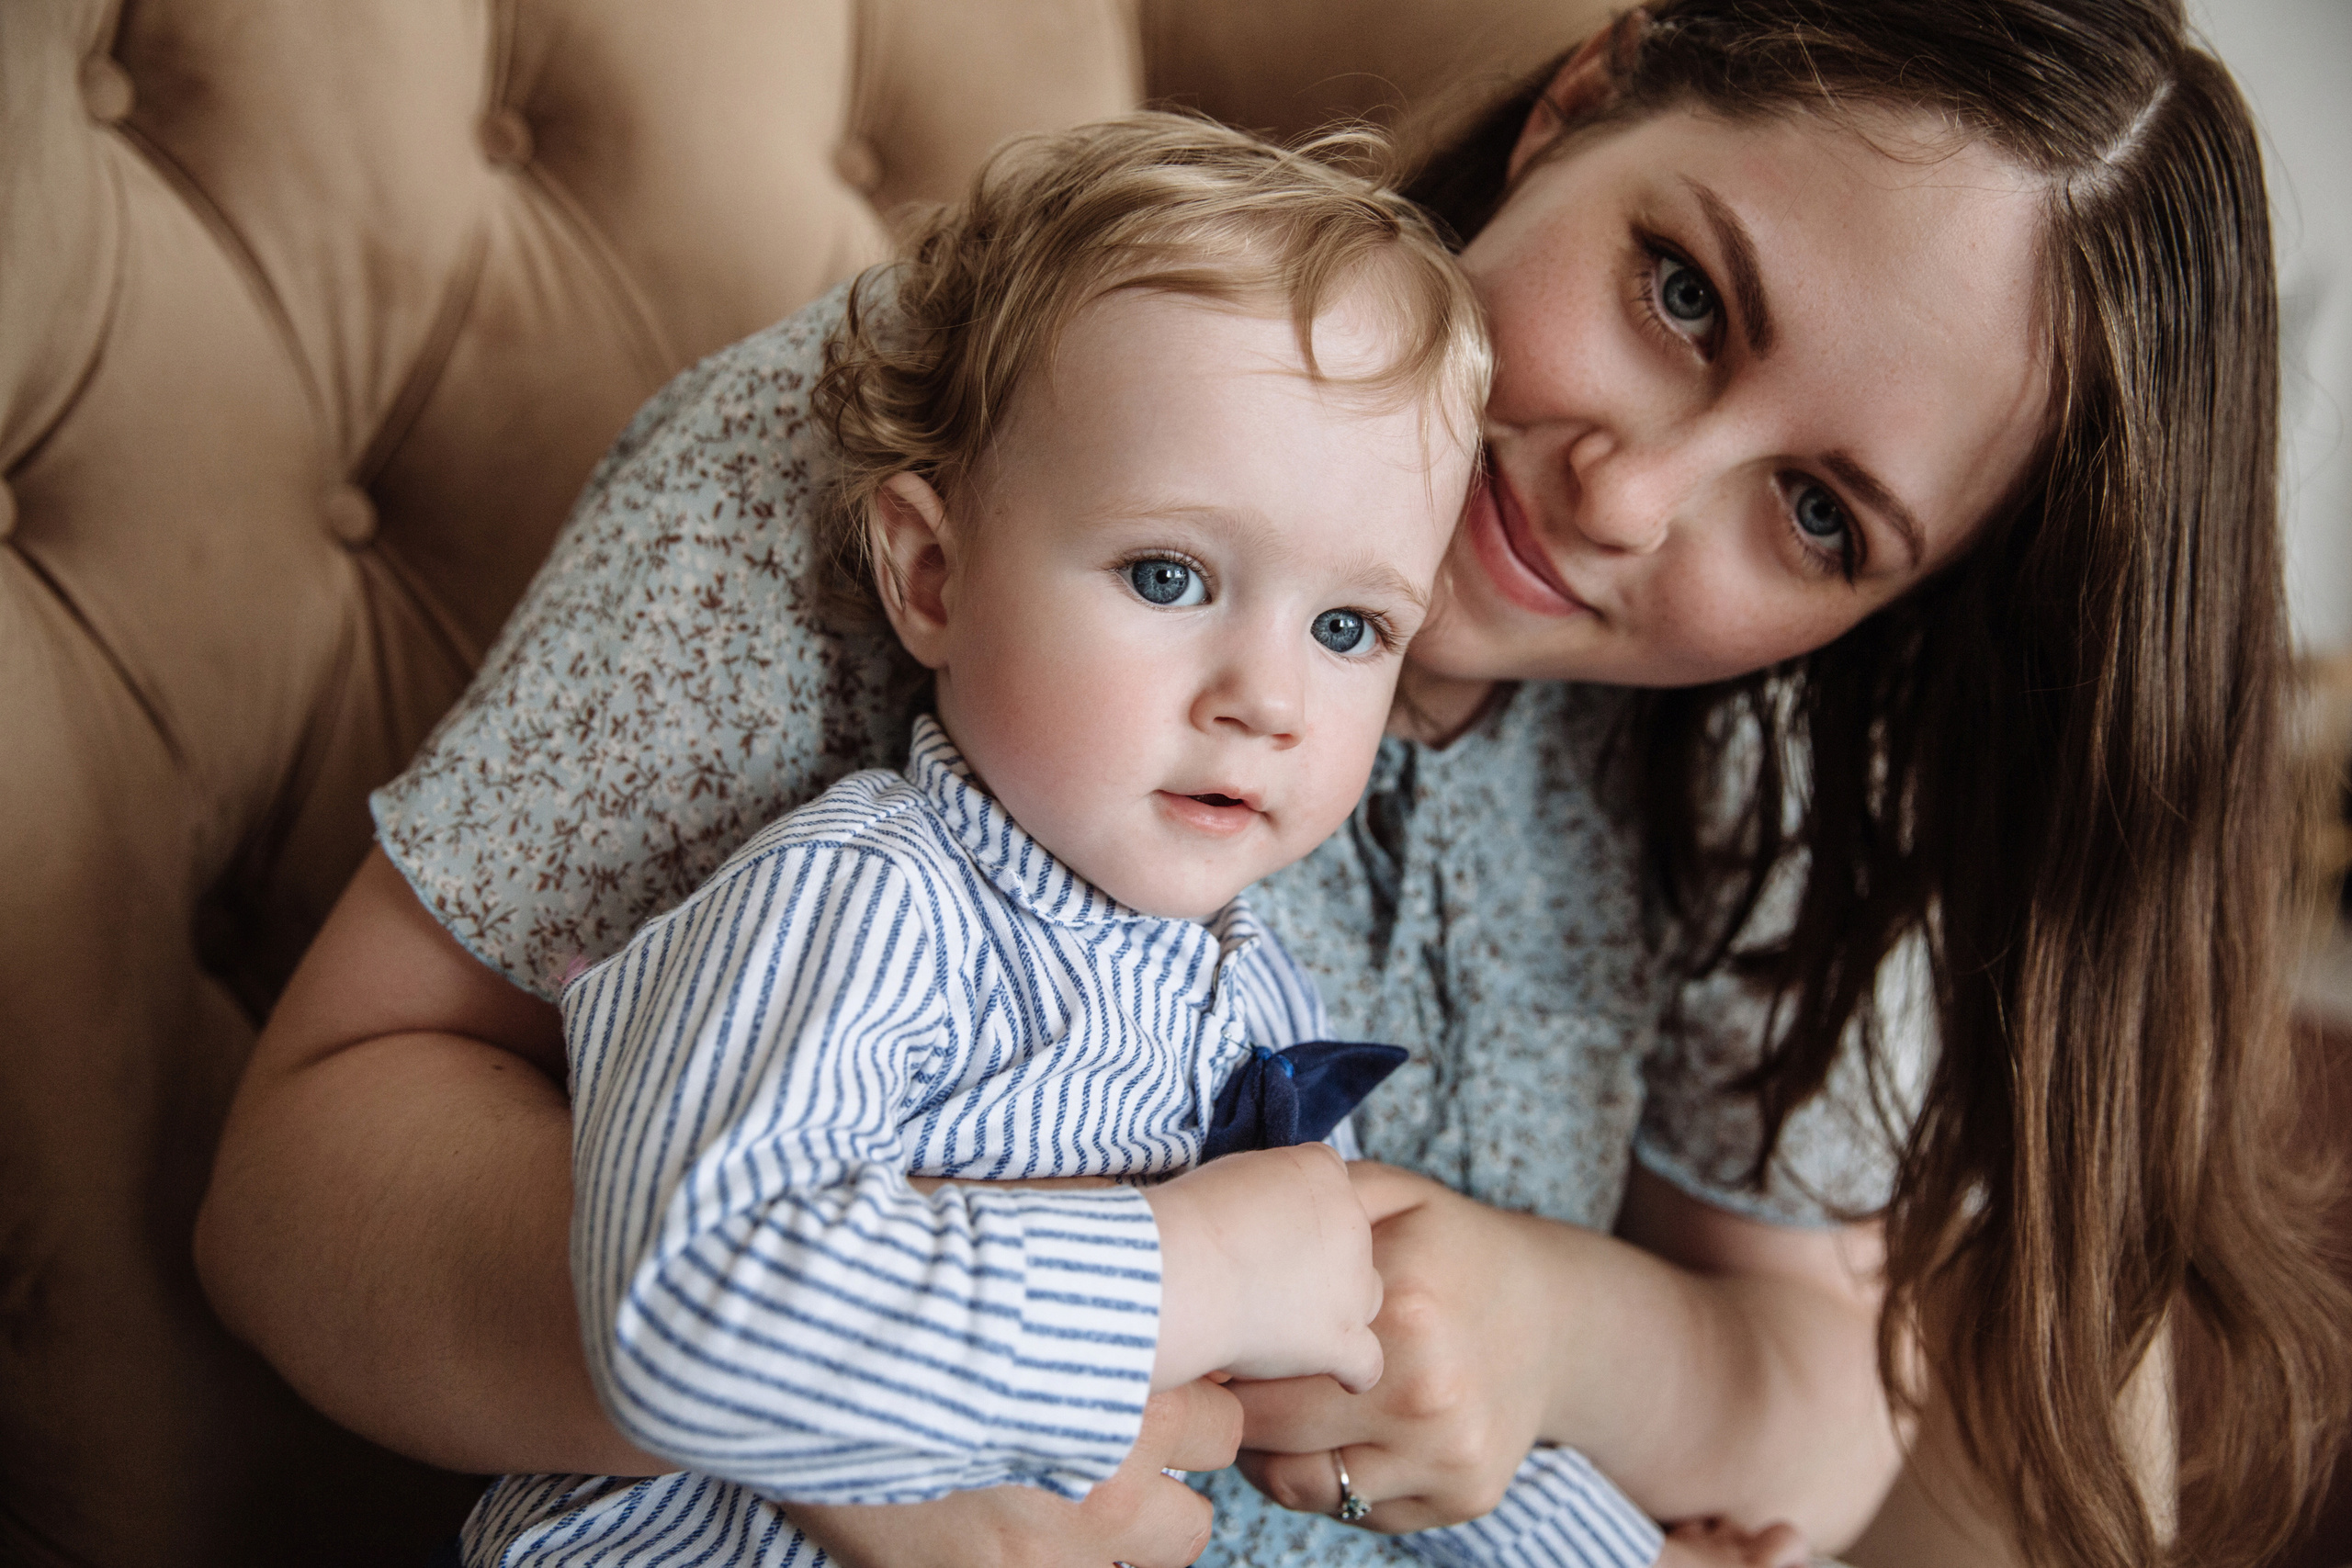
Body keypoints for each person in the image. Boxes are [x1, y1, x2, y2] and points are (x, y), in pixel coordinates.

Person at [194, 4, 2350, 1567]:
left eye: (1814, 516)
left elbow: (1808, 1387)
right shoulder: (981, 442)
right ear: (1582, 100)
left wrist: (1525, 1314)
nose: (1624, 493)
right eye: (1680, 293)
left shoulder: (1760, 744)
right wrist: (920, 1401)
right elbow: (296, 1184)